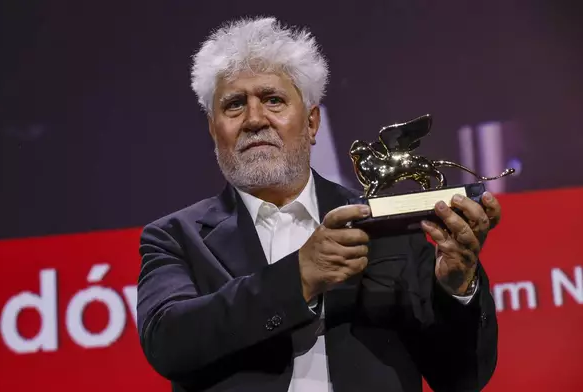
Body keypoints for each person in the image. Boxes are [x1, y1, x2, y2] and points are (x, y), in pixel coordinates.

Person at [137, 16, 498, 392]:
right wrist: (300, 277)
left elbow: (461, 376)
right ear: (214, 129)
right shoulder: (174, 238)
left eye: (273, 100)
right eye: (234, 105)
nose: (255, 119)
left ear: (311, 124)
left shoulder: (386, 225)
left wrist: (456, 288)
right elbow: (169, 342)